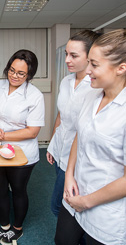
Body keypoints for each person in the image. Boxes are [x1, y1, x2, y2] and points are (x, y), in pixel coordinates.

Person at [55, 29, 126, 245]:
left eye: (94, 65)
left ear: (121, 68)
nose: (88, 72)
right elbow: (80, 134)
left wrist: (86, 202)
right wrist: (69, 174)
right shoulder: (92, 95)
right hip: (75, 193)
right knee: (62, 241)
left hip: (103, 209)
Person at [0, 49, 45, 245]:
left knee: (18, 189)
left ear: (29, 75)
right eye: (11, 70)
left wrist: (1, 135)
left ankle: (17, 229)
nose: (14, 76)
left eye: (21, 73)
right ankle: (4, 227)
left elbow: (33, 131)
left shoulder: (34, 95)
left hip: (22, 152)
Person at [46, 30, 101, 217]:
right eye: (66, 54)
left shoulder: (96, 88)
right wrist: (53, 143)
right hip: (60, 149)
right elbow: (61, 115)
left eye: (74, 55)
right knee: (65, 206)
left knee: (61, 206)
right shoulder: (66, 81)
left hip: (78, 158)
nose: (67, 60)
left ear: (90, 57)